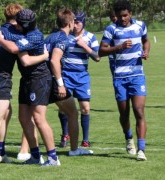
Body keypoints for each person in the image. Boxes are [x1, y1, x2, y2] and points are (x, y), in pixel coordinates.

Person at [0, 4, 48, 170]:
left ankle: (0, 152)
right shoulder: (14, 33)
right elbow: (14, 48)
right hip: (0, 79)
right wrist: (45, 55)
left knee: (6, 113)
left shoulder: (0, 29)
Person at [0, 9, 60, 166]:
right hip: (26, 79)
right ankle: (35, 156)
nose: (15, 26)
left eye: (18, 24)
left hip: (39, 79)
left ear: (25, 25)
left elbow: (22, 58)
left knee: (38, 117)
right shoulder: (21, 33)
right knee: (23, 118)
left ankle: (53, 158)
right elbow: (12, 41)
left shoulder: (34, 36)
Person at [98, 0, 150, 161]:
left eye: (125, 15)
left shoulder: (140, 26)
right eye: (120, 16)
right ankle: (128, 138)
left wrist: (146, 52)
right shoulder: (111, 29)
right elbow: (101, 50)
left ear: (131, 14)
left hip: (137, 75)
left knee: (139, 111)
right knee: (124, 113)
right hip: (120, 77)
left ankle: (141, 149)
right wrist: (119, 47)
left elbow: (146, 41)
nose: (123, 19)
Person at [44, 8, 94, 156]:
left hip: (38, 79)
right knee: (72, 112)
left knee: (35, 115)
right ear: (70, 23)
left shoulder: (49, 37)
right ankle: (74, 149)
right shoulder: (62, 38)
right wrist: (60, 83)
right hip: (51, 81)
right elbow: (54, 61)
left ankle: (26, 152)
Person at [54, 10, 100, 148]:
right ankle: (65, 134)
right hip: (66, 75)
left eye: (78, 22)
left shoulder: (91, 37)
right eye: (74, 22)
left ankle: (85, 140)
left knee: (85, 108)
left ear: (83, 22)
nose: (76, 25)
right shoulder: (65, 36)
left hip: (82, 77)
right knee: (64, 107)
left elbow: (97, 57)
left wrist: (84, 45)